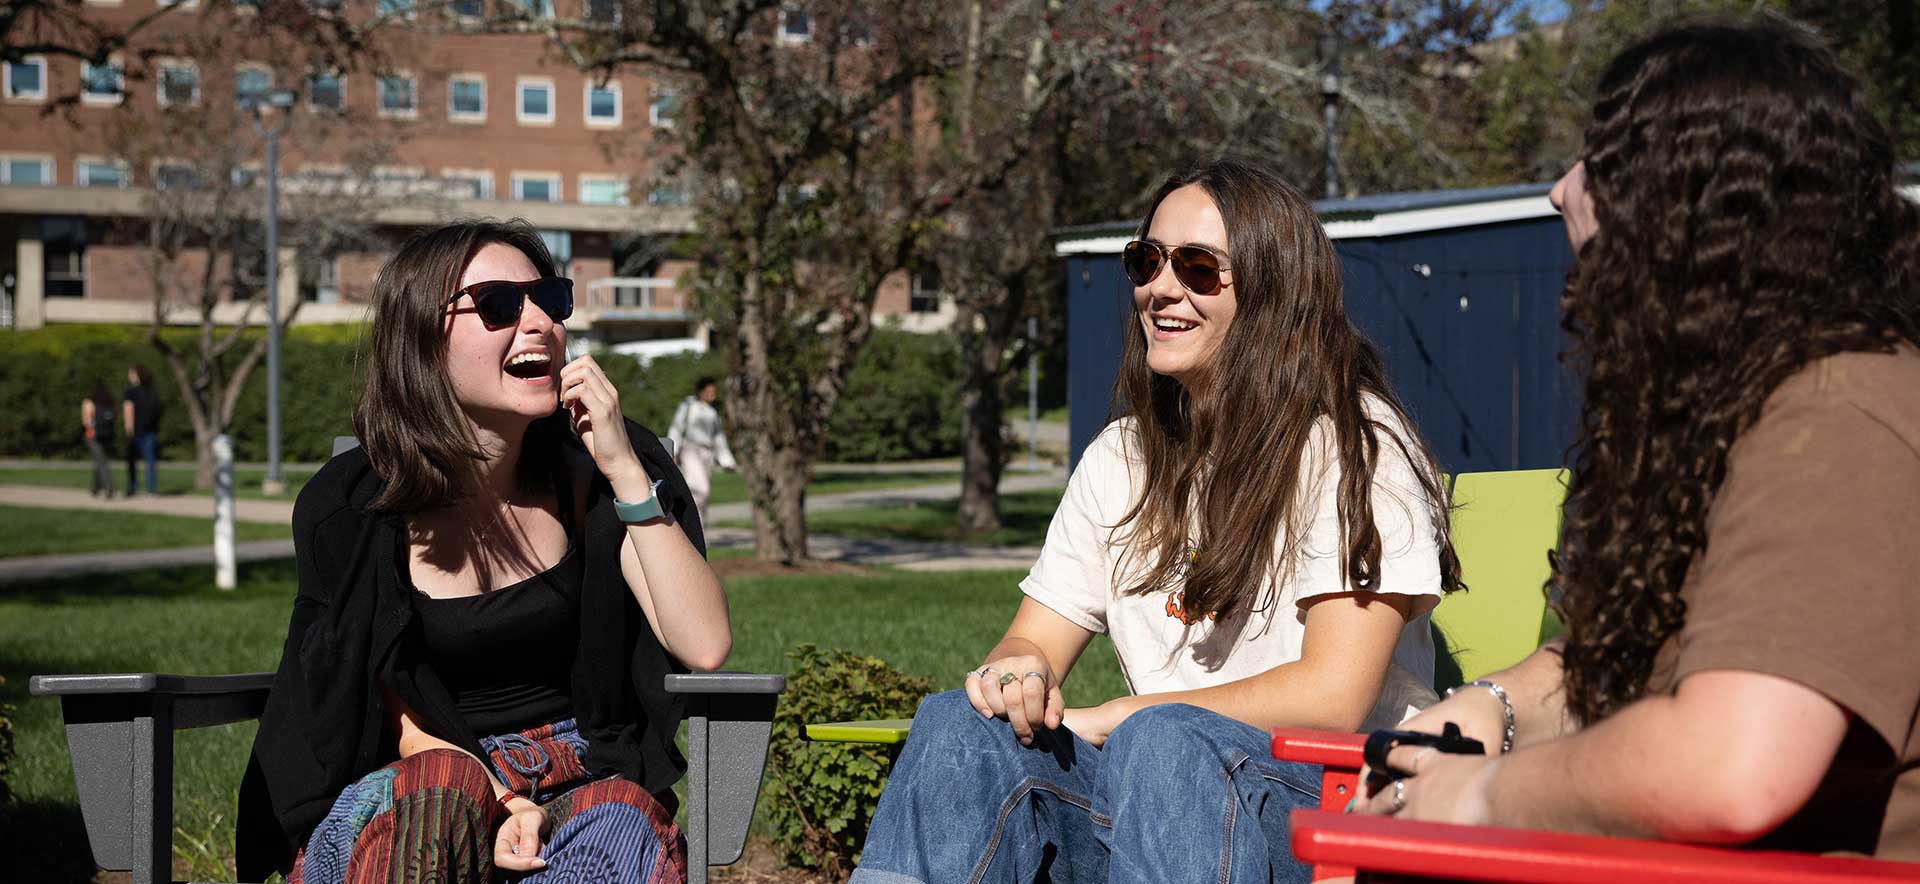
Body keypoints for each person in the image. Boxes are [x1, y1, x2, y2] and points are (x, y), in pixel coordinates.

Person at [1354, 20, 1920, 862]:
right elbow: (1618, 661)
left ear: (1685, 203)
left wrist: (1477, 795)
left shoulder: (1838, 418)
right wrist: (1490, 706)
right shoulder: (1741, 410)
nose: (1560, 190)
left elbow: (1732, 767)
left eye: (1599, 159)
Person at [852, 156, 1462, 884]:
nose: (1161, 288)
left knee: (1167, 741)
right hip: (1160, 798)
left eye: (1198, 268)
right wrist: (1018, 671)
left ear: (1275, 290)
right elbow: (1033, 637)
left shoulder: (1357, 447)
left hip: (1331, 804)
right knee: (959, 723)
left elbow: (1333, 697)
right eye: (1147, 261)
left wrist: (1125, 717)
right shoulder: (1123, 457)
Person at [236, 219, 733, 884]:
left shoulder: (600, 474)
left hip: (581, 778)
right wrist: (497, 799)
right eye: (499, 304)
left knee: (619, 823)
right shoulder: (351, 509)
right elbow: (377, 698)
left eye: (550, 299)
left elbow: (704, 645)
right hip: (418, 776)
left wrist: (624, 472)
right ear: (421, 337)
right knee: (439, 798)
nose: (540, 323)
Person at [666, 375, 735, 527]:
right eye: (709, 391)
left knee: (704, 493)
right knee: (700, 489)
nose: (712, 394)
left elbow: (719, 438)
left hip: (708, 455)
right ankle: (692, 525)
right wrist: (673, 451)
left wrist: (727, 461)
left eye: (713, 391)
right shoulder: (689, 406)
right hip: (691, 451)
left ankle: (699, 528)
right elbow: (677, 427)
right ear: (701, 391)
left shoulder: (713, 412)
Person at [121, 364, 160, 496]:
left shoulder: (130, 391)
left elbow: (128, 411)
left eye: (131, 373)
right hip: (150, 429)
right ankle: (151, 489)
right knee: (150, 461)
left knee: (132, 460)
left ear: (137, 375)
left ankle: (132, 487)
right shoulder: (152, 391)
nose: (129, 376)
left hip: (136, 430)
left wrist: (128, 431)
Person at [81, 382, 116, 498]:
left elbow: (86, 421)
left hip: (92, 435)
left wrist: (93, 427)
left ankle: (109, 487)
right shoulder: (108, 402)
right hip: (106, 435)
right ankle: (95, 487)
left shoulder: (89, 402)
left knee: (101, 461)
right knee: (100, 460)